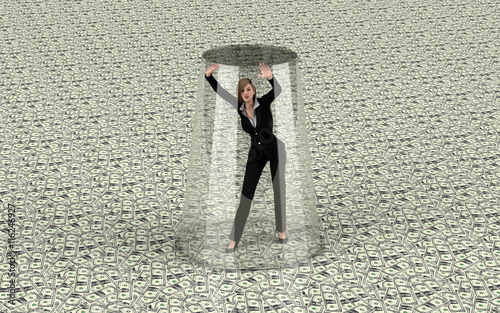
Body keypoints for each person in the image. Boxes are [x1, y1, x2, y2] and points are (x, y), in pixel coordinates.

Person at [205, 63, 288, 252]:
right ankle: (234, 238)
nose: (246, 93)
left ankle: (282, 229)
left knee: (278, 190)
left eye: (248, 89)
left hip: (276, 151)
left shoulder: (264, 102)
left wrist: (270, 77)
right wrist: (209, 76)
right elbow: (222, 93)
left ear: (253, 90)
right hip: (256, 155)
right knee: (246, 195)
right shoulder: (239, 107)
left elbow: (279, 90)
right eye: (242, 91)